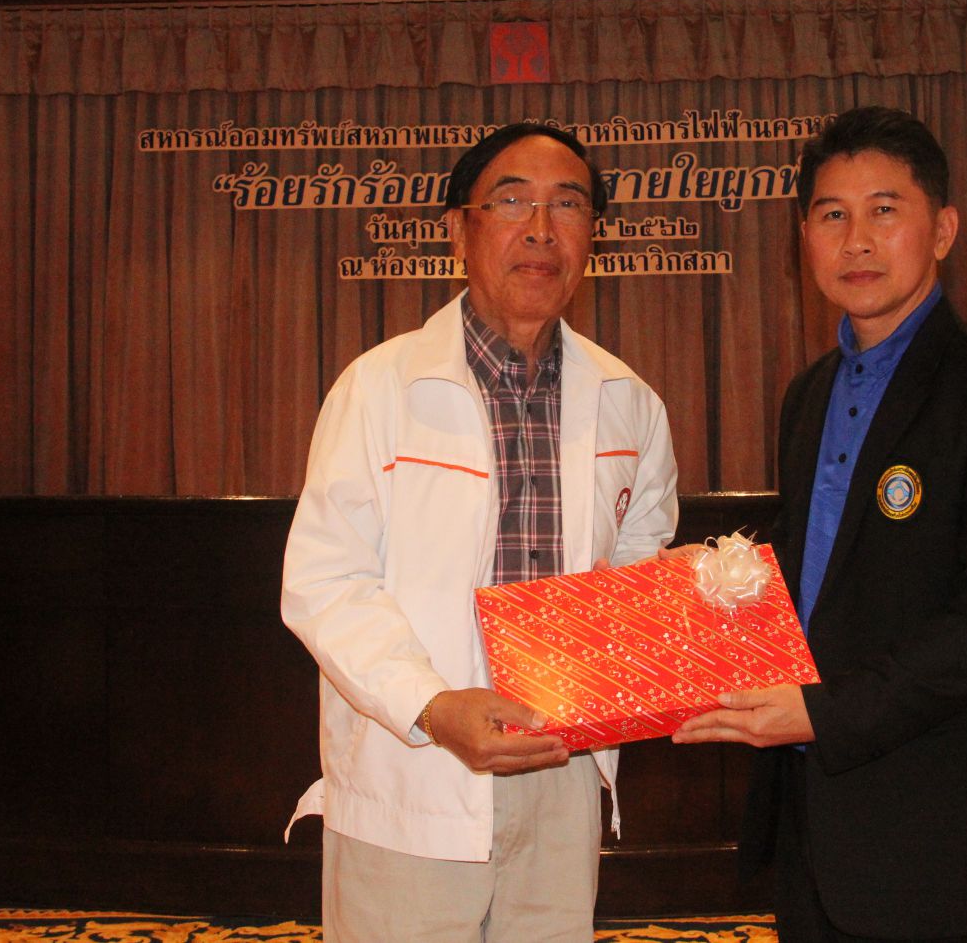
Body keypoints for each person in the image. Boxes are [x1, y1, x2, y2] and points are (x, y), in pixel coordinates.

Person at [674, 106, 967, 942]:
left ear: (943, 229)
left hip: (935, 828)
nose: (856, 240)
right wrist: (687, 607)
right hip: (810, 824)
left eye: (884, 210)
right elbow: (809, 566)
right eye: (831, 215)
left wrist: (827, 714)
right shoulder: (808, 394)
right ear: (804, 238)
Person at [280, 122, 678, 942]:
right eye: (512, 202)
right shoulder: (377, 388)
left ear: (593, 237)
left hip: (562, 773)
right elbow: (324, 582)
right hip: (417, 766)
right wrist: (431, 706)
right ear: (460, 230)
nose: (541, 229)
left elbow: (640, 570)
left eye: (568, 205)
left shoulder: (631, 403)